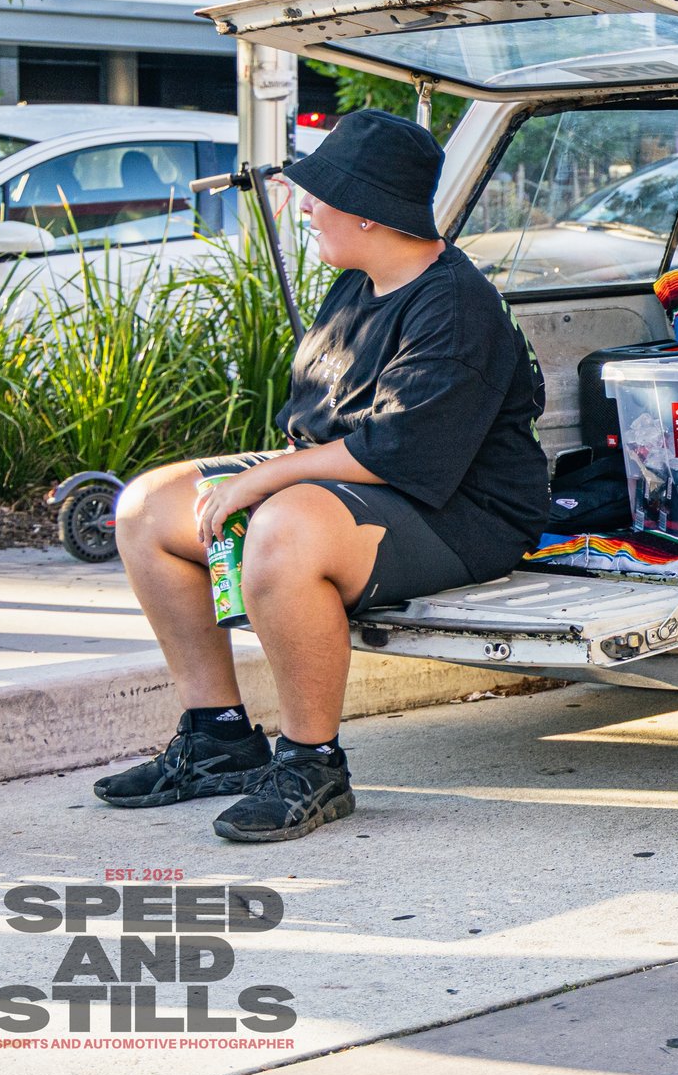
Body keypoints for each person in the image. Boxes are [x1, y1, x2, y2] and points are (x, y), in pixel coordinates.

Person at [98, 110, 548, 842]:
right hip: (352, 485)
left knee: (283, 532)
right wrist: (262, 475)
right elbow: (323, 420)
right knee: (146, 508)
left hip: (462, 510)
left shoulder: (456, 306)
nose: (305, 206)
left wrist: (263, 481)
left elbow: (396, 451)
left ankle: (312, 763)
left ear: (370, 212)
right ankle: (217, 738)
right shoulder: (358, 281)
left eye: (321, 193)